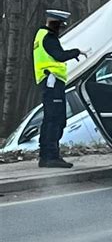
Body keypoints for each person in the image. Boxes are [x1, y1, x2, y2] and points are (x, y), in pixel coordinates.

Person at [33, 10, 87, 168]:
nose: (61, 30)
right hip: (52, 81)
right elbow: (59, 55)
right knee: (56, 119)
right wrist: (76, 52)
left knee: (50, 119)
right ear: (55, 24)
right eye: (61, 27)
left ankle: (46, 155)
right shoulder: (48, 37)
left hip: (49, 81)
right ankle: (51, 156)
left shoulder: (40, 35)